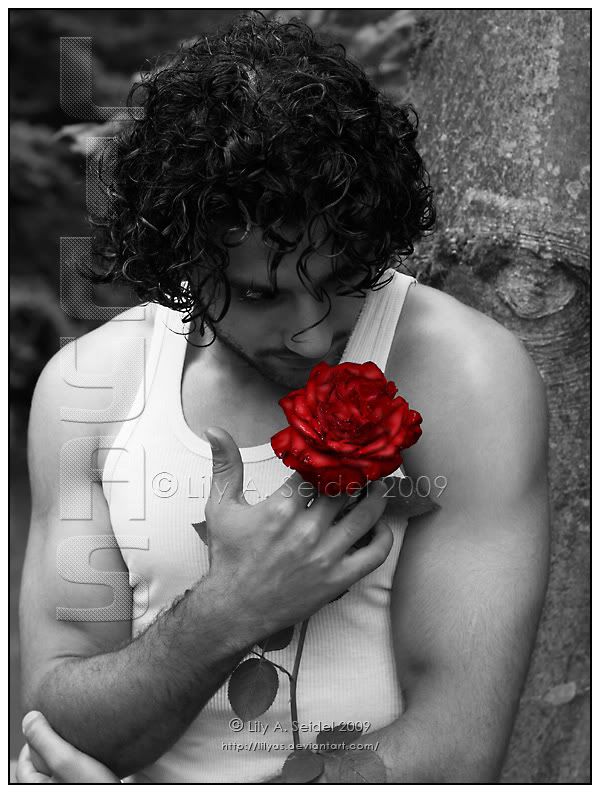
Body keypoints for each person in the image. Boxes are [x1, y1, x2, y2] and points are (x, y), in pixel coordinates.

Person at [18, 13, 550, 784]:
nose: (311, 333)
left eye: (342, 279)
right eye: (260, 293)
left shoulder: (465, 375)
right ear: (183, 258)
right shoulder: (91, 388)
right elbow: (57, 717)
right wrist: (230, 608)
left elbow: (458, 741)